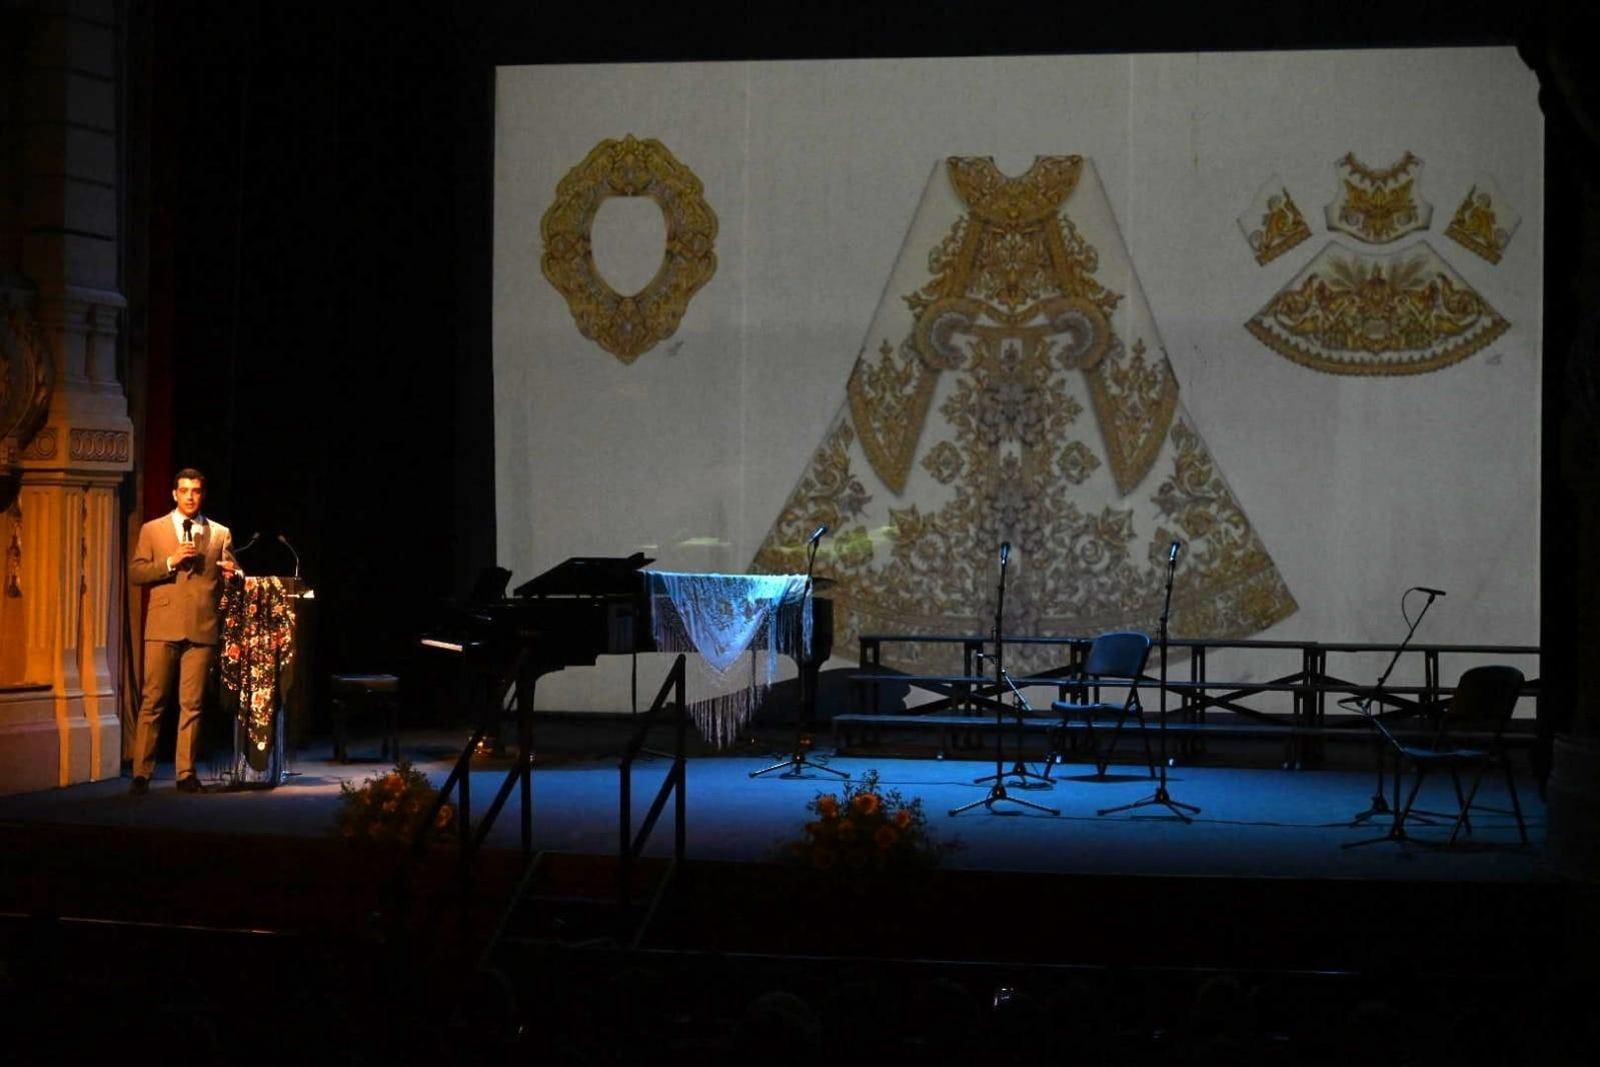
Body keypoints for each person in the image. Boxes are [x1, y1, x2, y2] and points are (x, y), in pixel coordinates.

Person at [128, 468, 241, 794]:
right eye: (184, 490)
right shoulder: (153, 530)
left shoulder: (220, 533)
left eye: (196, 491)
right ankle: (141, 773)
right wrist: (169, 561)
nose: (190, 496)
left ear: (202, 495)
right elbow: (137, 573)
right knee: (154, 701)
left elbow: (231, 576)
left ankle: (185, 773)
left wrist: (234, 574)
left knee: (192, 705)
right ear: (174, 494)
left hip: (202, 627)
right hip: (163, 627)